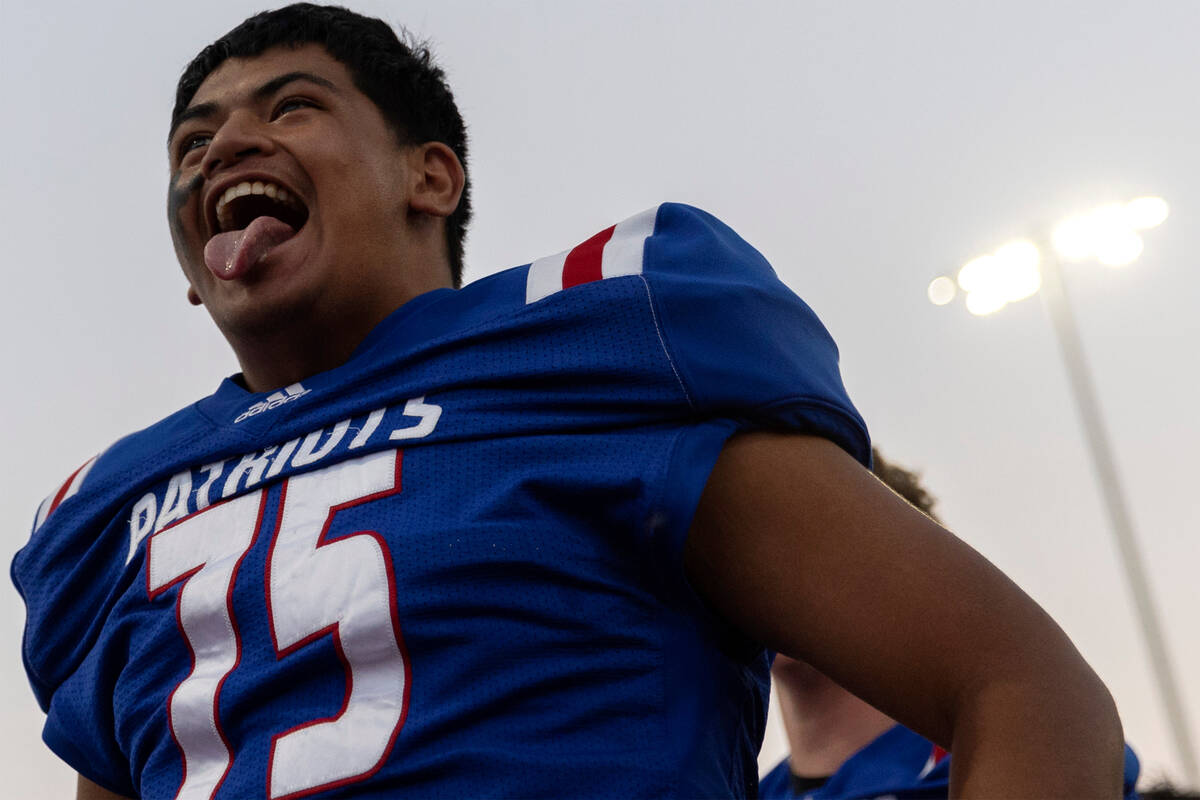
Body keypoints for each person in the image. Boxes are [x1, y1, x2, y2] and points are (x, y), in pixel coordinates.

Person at [12, 5, 1125, 799]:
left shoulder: (598, 354)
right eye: (192, 142)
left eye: (290, 106)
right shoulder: (113, 512)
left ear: (430, 177)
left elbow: (1020, 683)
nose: (228, 145)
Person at [759, 449, 1142, 799]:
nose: (767, 567)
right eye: (758, 535)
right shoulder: (735, 786)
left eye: (812, 536)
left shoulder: (1042, 754)